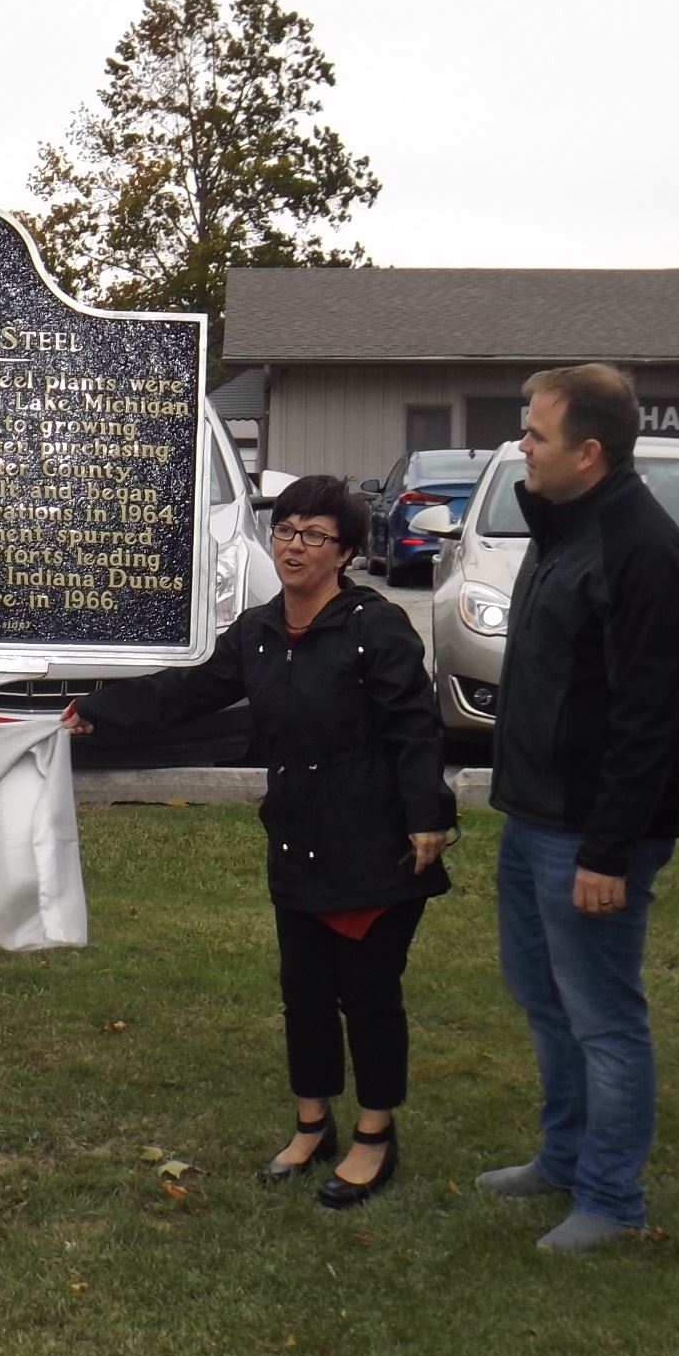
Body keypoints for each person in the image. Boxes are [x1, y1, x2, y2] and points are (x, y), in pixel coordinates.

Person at [62, 475, 454, 1208]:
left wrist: (425, 816)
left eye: (314, 535)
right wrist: (97, 711)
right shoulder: (259, 631)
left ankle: (375, 1134)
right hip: (298, 837)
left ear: (343, 552)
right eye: (285, 530)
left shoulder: (377, 627)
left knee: (367, 996)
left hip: (373, 842)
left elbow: (414, 728)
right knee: (303, 993)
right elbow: (186, 692)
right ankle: (313, 1123)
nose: (295, 546)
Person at [478, 364, 679, 1252]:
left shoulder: (645, 552)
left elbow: (650, 722)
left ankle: (612, 1198)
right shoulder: (560, 525)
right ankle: (562, 1159)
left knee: (605, 1018)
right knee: (543, 999)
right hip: (533, 816)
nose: (522, 446)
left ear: (591, 451)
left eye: (536, 435)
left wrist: (609, 852)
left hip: (592, 834)